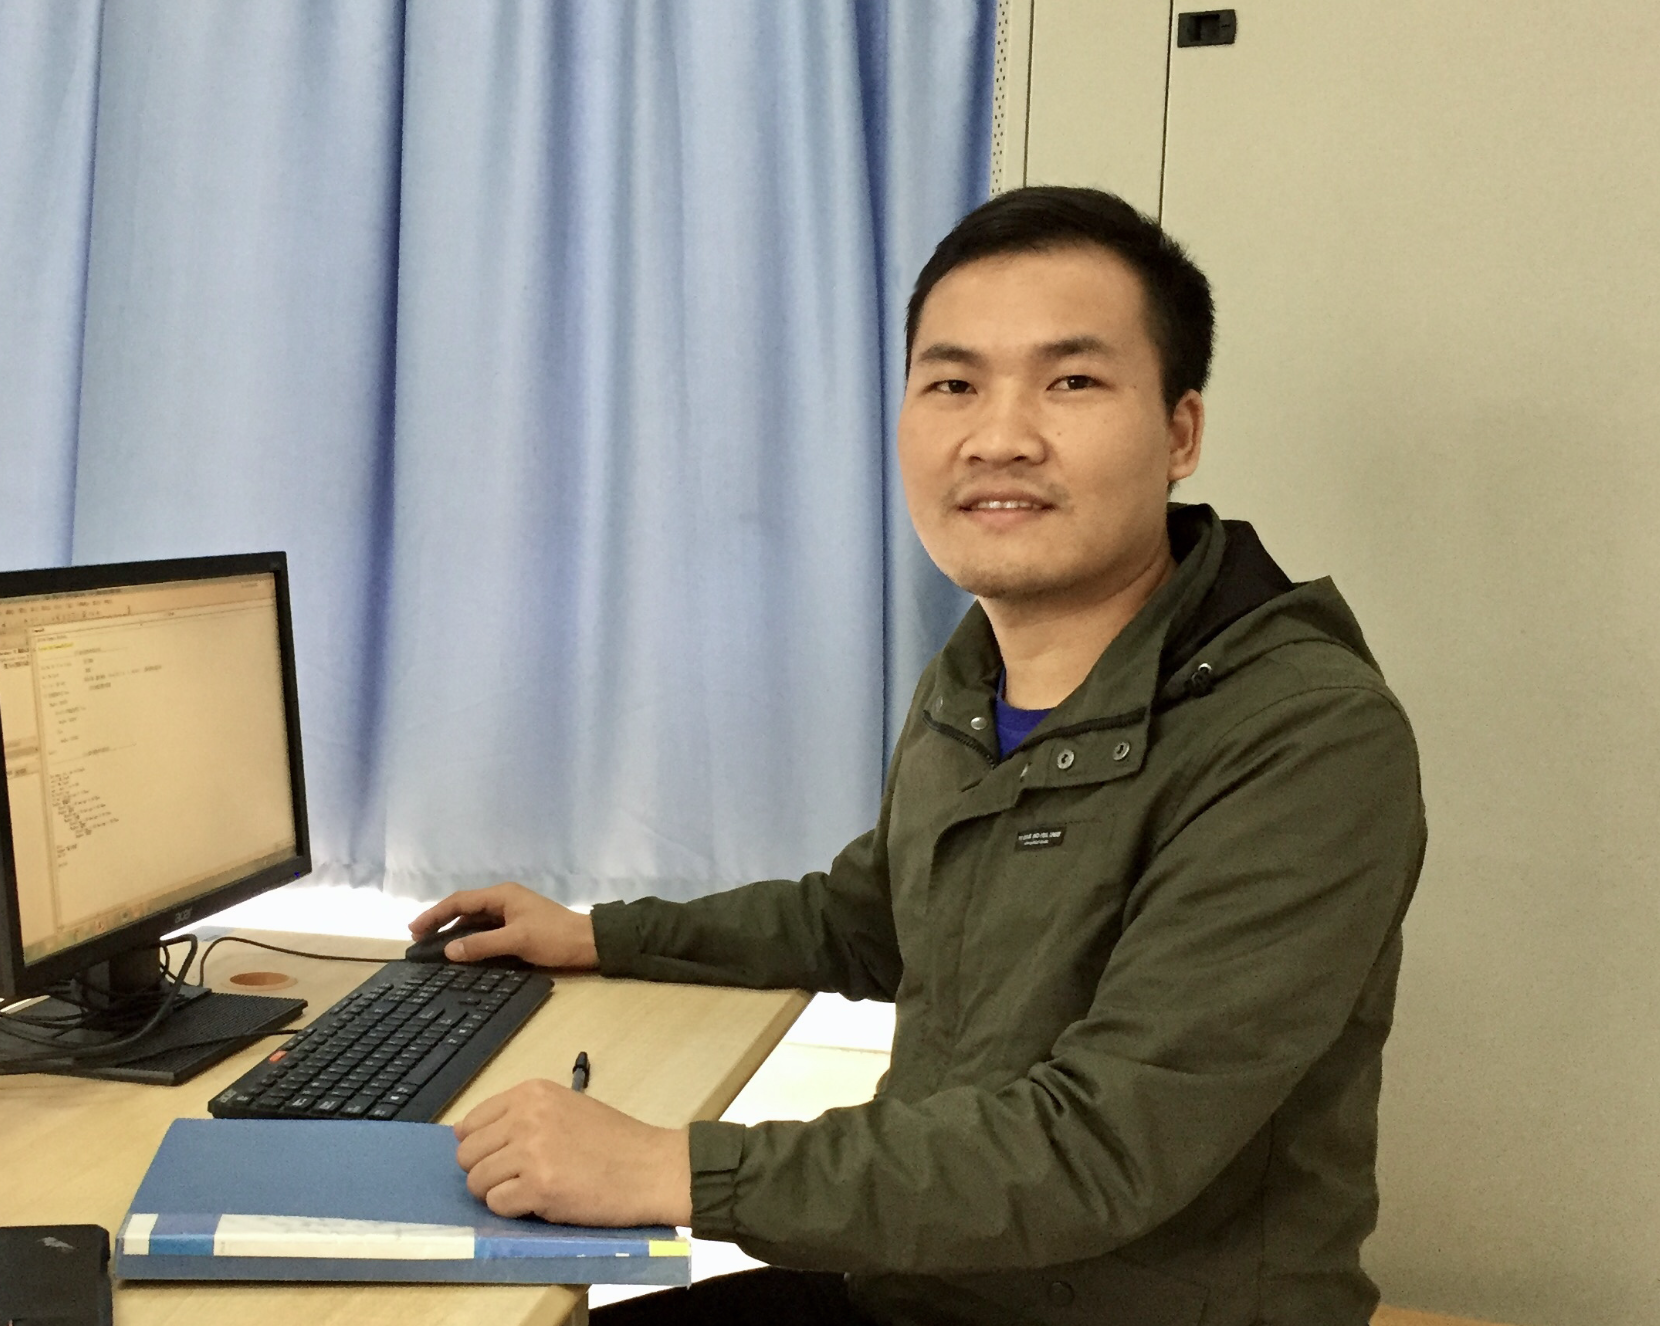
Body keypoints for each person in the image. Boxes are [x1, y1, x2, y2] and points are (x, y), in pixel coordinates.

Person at [410, 186, 1426, 1326]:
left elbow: (1100, 1150)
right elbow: (875, 915)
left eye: (1070, 382)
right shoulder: (977, 672)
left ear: (1180, 432)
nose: (1000, 437)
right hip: (923, 1279)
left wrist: (670, 1169)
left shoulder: (1303, 735)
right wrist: (600, 934)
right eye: (953, 384)